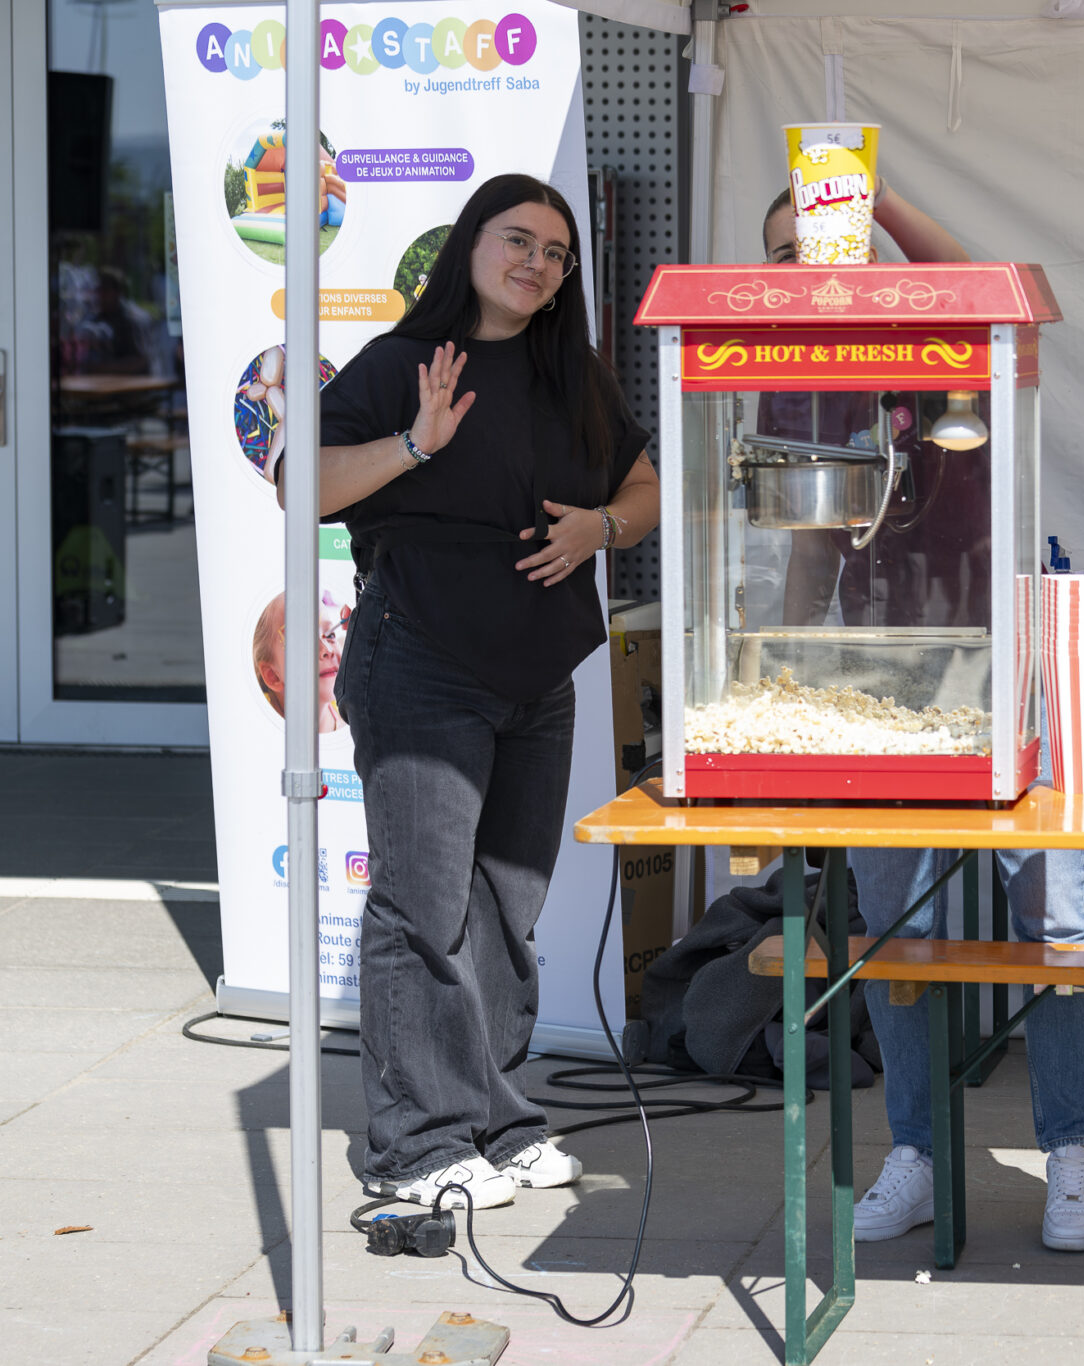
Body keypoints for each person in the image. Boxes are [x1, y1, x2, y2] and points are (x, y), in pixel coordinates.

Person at [287, 173, 657, 1210]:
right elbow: (298, 484)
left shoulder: (572, 373)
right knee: (422, 908)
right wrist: (415, 444)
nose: (537, 262)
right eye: (518, 239)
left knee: (506, 907)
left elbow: (642, 485)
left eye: (556, 252)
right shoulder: (403, 362)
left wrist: (602, 528)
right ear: (470, 244)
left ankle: (496, 1121)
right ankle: (417, 1144)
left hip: (538, 674)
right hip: (422, 660)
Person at [762, 187, 1084, 1253]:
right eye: (787, 255)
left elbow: (983, 282)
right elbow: (810, 546)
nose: (813, 269)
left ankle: (1070, 1151)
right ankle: (915, 1150)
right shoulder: (787, 380)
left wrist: (868, 195)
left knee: (1054, 913)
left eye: (833, 244)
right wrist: (777, 671)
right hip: (874, 685)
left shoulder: (954, 343)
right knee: (892, 929)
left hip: (1008, 667)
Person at [252, 592, 343, 732]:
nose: (326, 649)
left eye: (330, 635)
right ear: (273, 675)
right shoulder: (257, 728)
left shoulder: (352, 714)